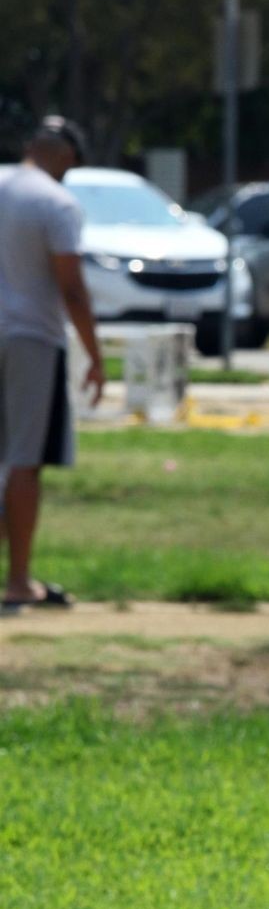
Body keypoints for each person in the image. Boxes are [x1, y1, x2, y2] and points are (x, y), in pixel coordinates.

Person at [0, 113, 104, 612]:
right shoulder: (55, 202)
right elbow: (72, 288)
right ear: (66, 156)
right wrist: (95, 356)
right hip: (30, 337)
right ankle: (19, 581)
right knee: (24, 459)